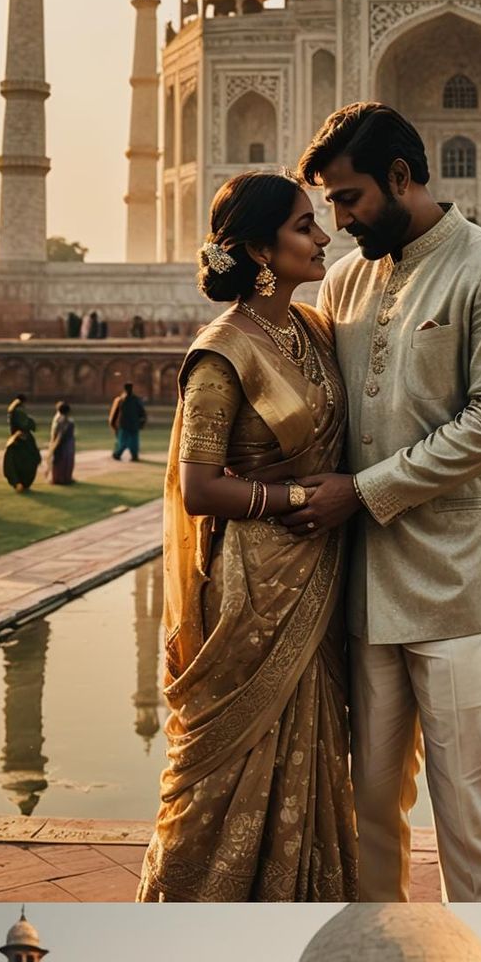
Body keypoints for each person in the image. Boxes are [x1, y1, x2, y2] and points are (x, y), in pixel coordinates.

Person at [298, 102, 481, 904]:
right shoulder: (344, 280)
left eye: (348, 199)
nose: (338, 221)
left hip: (456, 581)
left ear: (401, 178)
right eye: (330, 204)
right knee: (370, 804)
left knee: (470, 807)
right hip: (369, 587)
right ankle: (384, 944)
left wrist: (364, 491)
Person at [135, 172, 356, 903]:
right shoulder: (223, 350)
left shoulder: (314, 329)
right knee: (237, 757)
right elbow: (199, 487)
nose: (324, 236)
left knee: (310, 745)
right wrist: (295, 495)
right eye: (304, 225)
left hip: (316, 571)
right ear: (262, 248)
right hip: (256, 585)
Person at [2, 397, 40, 490]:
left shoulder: (12, 412)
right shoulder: (19, 412)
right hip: (22, 440)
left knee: (13, 462)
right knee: (27, 461)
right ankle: (20, 483)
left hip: (17, 439)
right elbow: (29, 425)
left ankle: (18, 483)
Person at [109, 381, 148, 462]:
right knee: (123, 442)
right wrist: (113, 424)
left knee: (132, 442)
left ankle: (133, 455)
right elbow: (115, 413)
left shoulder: (132, 400)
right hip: (125, 425)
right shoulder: (122, 400)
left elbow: (142, 413)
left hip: (131, 425)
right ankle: (118, 454)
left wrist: (142, 423)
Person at [46, 400, 75, 485]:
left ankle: (58, 478)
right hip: (67, 444)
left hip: (60, 443)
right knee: (66, 461)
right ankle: (64, 478)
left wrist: (53, 444)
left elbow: (57, 434)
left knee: (58, 460)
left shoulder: (57, 419)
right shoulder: (68, 421)